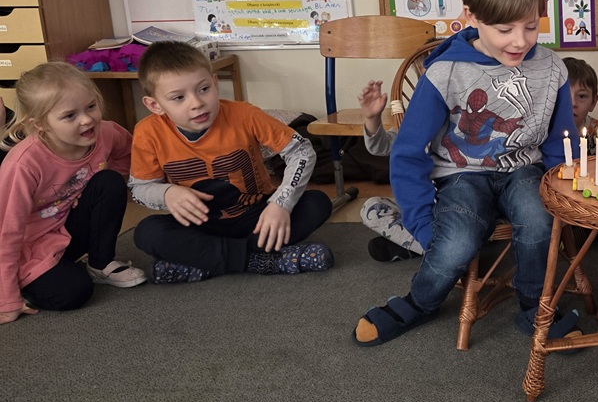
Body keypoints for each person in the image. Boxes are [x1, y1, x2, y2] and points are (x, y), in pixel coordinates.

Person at [352, 0, 580, 347]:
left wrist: (566, 192)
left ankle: (534, 305)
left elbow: (562, 141)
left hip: (524, 169)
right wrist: (423, 224)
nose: (520, 40)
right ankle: (419, 302)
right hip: (460, 175)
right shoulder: (445, 72)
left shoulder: (552, 69)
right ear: (472, 15)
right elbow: (408, 151)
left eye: (530, 26)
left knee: (538, 220)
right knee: (456, 242)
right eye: (505, 29)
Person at [129, 42, 333, 284]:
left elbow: (301, 151)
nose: (196, 103)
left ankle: (205, 263)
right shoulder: (147, 132)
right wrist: (167, 193)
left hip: (257, 215)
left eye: (204, 89)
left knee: (317, 203)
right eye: (179, 98)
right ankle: (261, 261)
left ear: (215, 83)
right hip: (199, 224)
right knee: (148, 232)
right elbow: (139, 188)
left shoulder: (244, 114)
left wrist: (281, 203)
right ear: (155, 105)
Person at [0, 63, 145, 325]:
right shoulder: (22, 164)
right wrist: (7, 299)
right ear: (40, 124)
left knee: (109, 181)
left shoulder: (106, 132)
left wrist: (89, 189)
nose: (87, 119)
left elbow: (128, 154)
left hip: (67, 228)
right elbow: (7, 234)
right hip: (30, 246)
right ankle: (20, 282)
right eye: (69, 116)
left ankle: (100, 263)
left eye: (91, 106)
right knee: (73, 293)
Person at [357, 79, 426, 263]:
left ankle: (427, 248)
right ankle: (432, 247)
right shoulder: (419, 117)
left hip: (458, 207)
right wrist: (372, 118)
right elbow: (380, 146)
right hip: (423, 209)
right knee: (371, 209)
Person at [562, 57, 598, 134]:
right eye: (563, 94)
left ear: (593, 102)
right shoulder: (538, 133)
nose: (573, 103)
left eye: (581, 96)